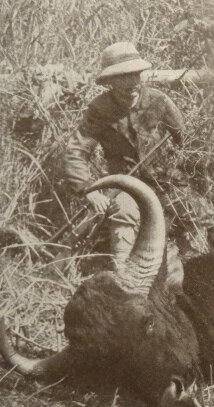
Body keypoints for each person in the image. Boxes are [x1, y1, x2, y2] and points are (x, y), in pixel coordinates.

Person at [61, 41, 191, 264]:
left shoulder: (159, 101)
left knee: (193, 211)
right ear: (110, 81)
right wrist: (89, 190)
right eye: (123, 76)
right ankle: (123, 275)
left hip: (165, 179)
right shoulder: (100, 110)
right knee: (124, 211)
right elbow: (76, 151)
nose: (132, 81)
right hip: (126, 184)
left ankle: (191, 265)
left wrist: (189, 174)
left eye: (136, 74)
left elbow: (187, 141)